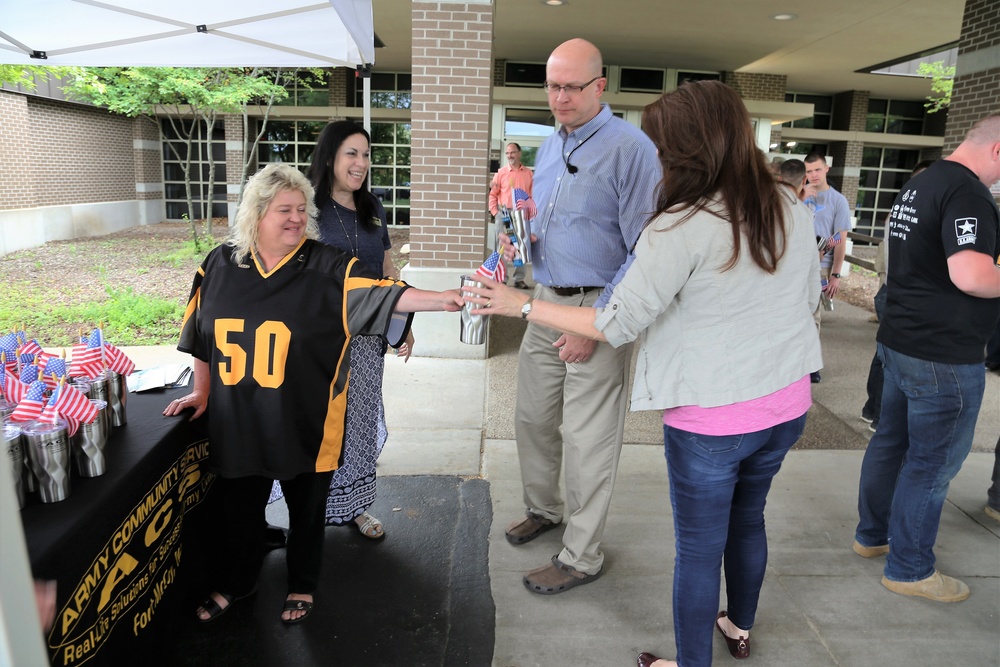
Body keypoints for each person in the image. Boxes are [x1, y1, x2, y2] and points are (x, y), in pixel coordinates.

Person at [474, 80, 821, 667]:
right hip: (786, 405)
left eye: (662, 147)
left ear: (685, 151)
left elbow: (615, 320)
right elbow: (807, 297)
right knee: (748, 520)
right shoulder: (788, 204)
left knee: (697, 552)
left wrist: (519, 305)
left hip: (713, 419)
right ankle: (737, 624)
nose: (656, 159)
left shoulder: (680, 225)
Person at [163, 164, 463, 624]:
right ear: (256, 214)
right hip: (239, 420)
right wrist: (202, 391)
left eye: (302, 210)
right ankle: (237, 583)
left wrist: (445, 298)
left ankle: (302, 585)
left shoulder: (330, 267)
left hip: (307, 419)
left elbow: (387, 294)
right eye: (284, 209)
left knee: (306, 512)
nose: (296, 218)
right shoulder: (219, 265)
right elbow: (199, 338)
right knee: (239, 512)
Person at [497, 37, 661, 595]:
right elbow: (558, 217)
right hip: (545, 297)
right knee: (532, 418)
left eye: (571, 86)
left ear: (600, 86)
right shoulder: (550, 144)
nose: (559, 97)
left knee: (589, 439)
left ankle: (582, 556)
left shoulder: (631, 149)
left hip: (596, 305)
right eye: (552, 85)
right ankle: (545, 509)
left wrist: (599, 323)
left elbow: (644, 248)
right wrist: (521, 239)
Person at [853, 113, 1000, 603]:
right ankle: (910, 569)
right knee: (932, 463)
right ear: (997, 150)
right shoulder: (969, 194)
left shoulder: (921, 184)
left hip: (902, 340)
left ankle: (872, 536)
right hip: (943, 353)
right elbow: (972, 275)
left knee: (891, 442)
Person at [298, 120, 409, 540]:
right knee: (318, 426)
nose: (361, 163)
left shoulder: (372, 208)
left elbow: (385, 270)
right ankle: (310, 507)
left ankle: (356, 505)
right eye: (352, 153)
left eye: (366, 155)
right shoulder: (306, 208)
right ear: (329, 157)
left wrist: (400, 324)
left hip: (365, 342)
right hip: (318, 342)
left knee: (359, 423)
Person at [861, 159, 935, 432]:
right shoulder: (913, 214)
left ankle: (873, 410)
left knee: (883, 355)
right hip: (899, 293)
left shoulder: (901, 212)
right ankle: (879, 416)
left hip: (893, 291)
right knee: (890, 359)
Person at [803, 152, 852, 383]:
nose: (813, 175)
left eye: (817, 170)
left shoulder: (838, 200)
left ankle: (811, 364)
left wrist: (835, 274)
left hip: (820, 267)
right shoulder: (798, 196)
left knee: (813, 317)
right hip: (795, 265)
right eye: (808, 171)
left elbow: (839, 238)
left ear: (826, 169)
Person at [488, 142, 535, 289]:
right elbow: (493, 194)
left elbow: (532, 196)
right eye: (507, 153)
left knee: (520, 246)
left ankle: (519, 278)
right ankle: (501, 278)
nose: (510, 156)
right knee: (501, 247)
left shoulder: (528, 173)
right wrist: (495, 212)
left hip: (521, 215)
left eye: (512, 153)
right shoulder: (500, 173)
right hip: (504, 214)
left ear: (519, 153)